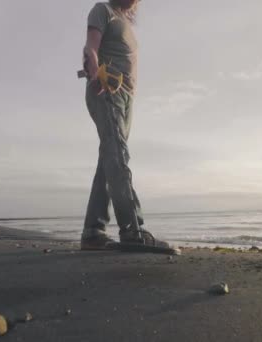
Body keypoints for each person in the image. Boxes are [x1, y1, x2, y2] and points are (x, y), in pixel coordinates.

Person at [80, 0, 179, 255]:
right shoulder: (103, 10)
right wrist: (94, 75)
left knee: (110, 158)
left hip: (126, 97)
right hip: (107, 87)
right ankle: (132, 230)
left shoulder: (124, 22)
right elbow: (90, 48)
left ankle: (93, 231)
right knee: (117, 156)